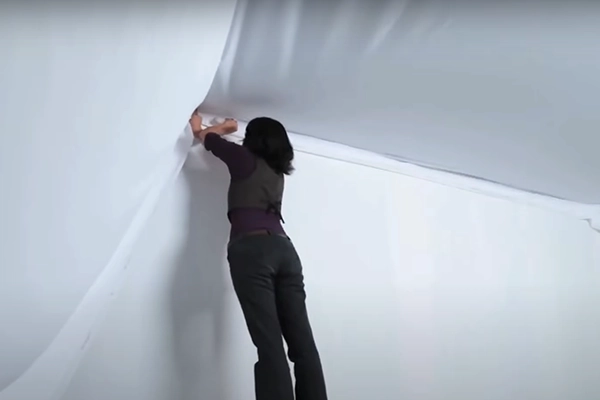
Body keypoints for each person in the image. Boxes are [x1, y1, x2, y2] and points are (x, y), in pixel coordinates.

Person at [188, 111, 328, 400]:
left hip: (252, 251)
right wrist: (221, 129)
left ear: (255, 139)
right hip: (286, 251)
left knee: (269, 344)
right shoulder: (277, 172)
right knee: (303, 344)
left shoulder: (244, 159)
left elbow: (205, 138)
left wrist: (216, 127)